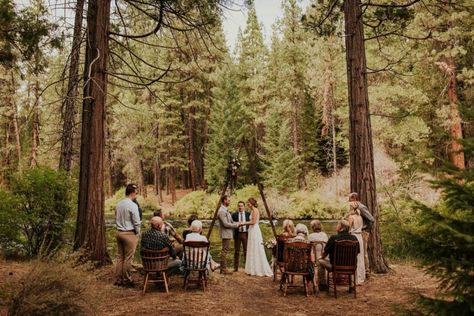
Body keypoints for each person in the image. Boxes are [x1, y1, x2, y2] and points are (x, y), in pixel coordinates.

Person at [318, 220, 359, 289]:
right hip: (351, 266)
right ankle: (352, 285)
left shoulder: (334, 238)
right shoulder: (354, 238)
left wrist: (321, 257)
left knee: (320, 262)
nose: (336, 227)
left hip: (335, 266)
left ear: (341, 228)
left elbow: (325, 252)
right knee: (354, 261)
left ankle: (323, 285)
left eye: (337, 225)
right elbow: (357, 252)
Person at [114, 183, 141, 287]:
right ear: (132, 193)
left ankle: (118, 280)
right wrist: (138, 233)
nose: (136, 195)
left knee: (120, 257)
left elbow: (116, 217)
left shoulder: (119, 204)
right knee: (128, 258)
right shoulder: (132, 205)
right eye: (136, 193)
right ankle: (127, 280)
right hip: (129, 234)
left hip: (119, 232)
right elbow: (137, 222)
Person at [243, 198, 273, 277]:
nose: (247, 204)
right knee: (252, 248)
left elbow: (253, 222)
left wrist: (243, 223)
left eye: (248, 203)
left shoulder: (255, 210)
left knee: (256, 248)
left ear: (252, 203)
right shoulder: (252, 210)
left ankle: (258, 269)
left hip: (254, 230)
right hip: (251, 230)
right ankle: (252, 269)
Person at [348, 192, 374, 277]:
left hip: (363, 232)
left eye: (350, 199)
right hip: (358, 232)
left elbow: (371, 219)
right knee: (359, 253)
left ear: (354, 199)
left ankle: (366, 272)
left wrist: (363, 228)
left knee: (363, 253)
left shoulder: (361, 207)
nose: (349, 201)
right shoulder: (355, 209)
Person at [217, 195, 240, 274]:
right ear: (224, 201)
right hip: (225, 233)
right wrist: (236, 225)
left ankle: (222, 269)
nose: (229, 202)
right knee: (224, 251)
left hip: (228, 233)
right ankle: (224, 269)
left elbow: (231, 222)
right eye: (228, 200)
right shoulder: (221, 211)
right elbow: (226, 224)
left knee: (225, 250)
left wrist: (238, 223)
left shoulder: (226, 210)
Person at [348, 203, 366, 285]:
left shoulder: (351, 217)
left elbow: (349, 229)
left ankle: (354, 279)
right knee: (360, 257)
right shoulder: (360, 217)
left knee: (354, 257)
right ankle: (361, 278)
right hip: (360, 237)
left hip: (354, 237)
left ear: (351, 208)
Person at [232, 201, 250, 272]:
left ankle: (247, 267)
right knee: (236, 251)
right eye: (239, 206)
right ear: (237, 206)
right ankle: (235, 268)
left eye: (241, 206)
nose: (240, 207)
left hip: (246, 234)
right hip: (237, 234)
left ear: (244, 206)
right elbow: (232, 224)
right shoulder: (234, 215)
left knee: (246, 251)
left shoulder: (248, 214)